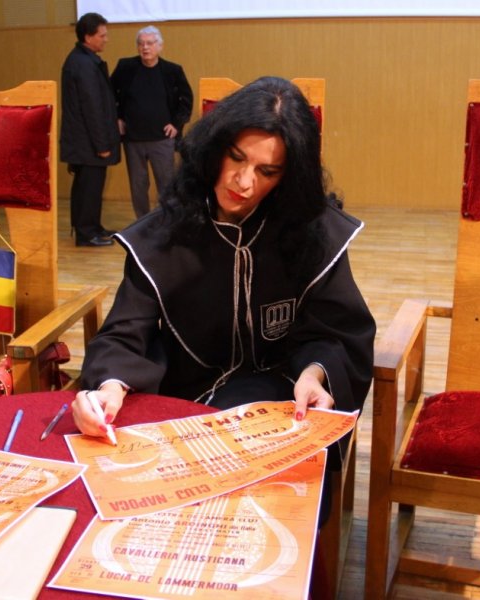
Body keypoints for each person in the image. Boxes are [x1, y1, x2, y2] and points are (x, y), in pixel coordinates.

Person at [73, 76, 375, 455]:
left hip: (285, 401)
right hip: (185, 401)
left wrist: (315, 374)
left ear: (288, 176)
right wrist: (109, 388)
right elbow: (124, 334)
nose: (243, 182)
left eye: (267, 172)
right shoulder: (162, 236)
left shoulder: (315, 231)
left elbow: (339, 334)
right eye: (236, 157)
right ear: (213, 148)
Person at [110, 26, 193, 218]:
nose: (145, 47)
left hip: (161, 139)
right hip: (133, 138)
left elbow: (186, 100)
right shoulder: (125, 67)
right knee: (138, 185)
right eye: (141, 44)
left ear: (160, 46)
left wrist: (176, 124)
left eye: (149, 43)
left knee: (166, 184)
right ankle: (142, 221)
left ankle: (167, 220)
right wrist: (117, 117)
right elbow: (109, 93)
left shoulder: (172, 71)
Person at [60, 12, 120, 247]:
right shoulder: (83, 64)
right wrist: (102, 145)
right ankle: (86, 234)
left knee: (89, 187)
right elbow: (92, 108)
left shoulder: (83, 60)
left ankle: (92, 227)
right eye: (102, 35)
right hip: (87, 142)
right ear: (88, 37)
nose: (106, 39)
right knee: (88, 188)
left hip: (85, 141)